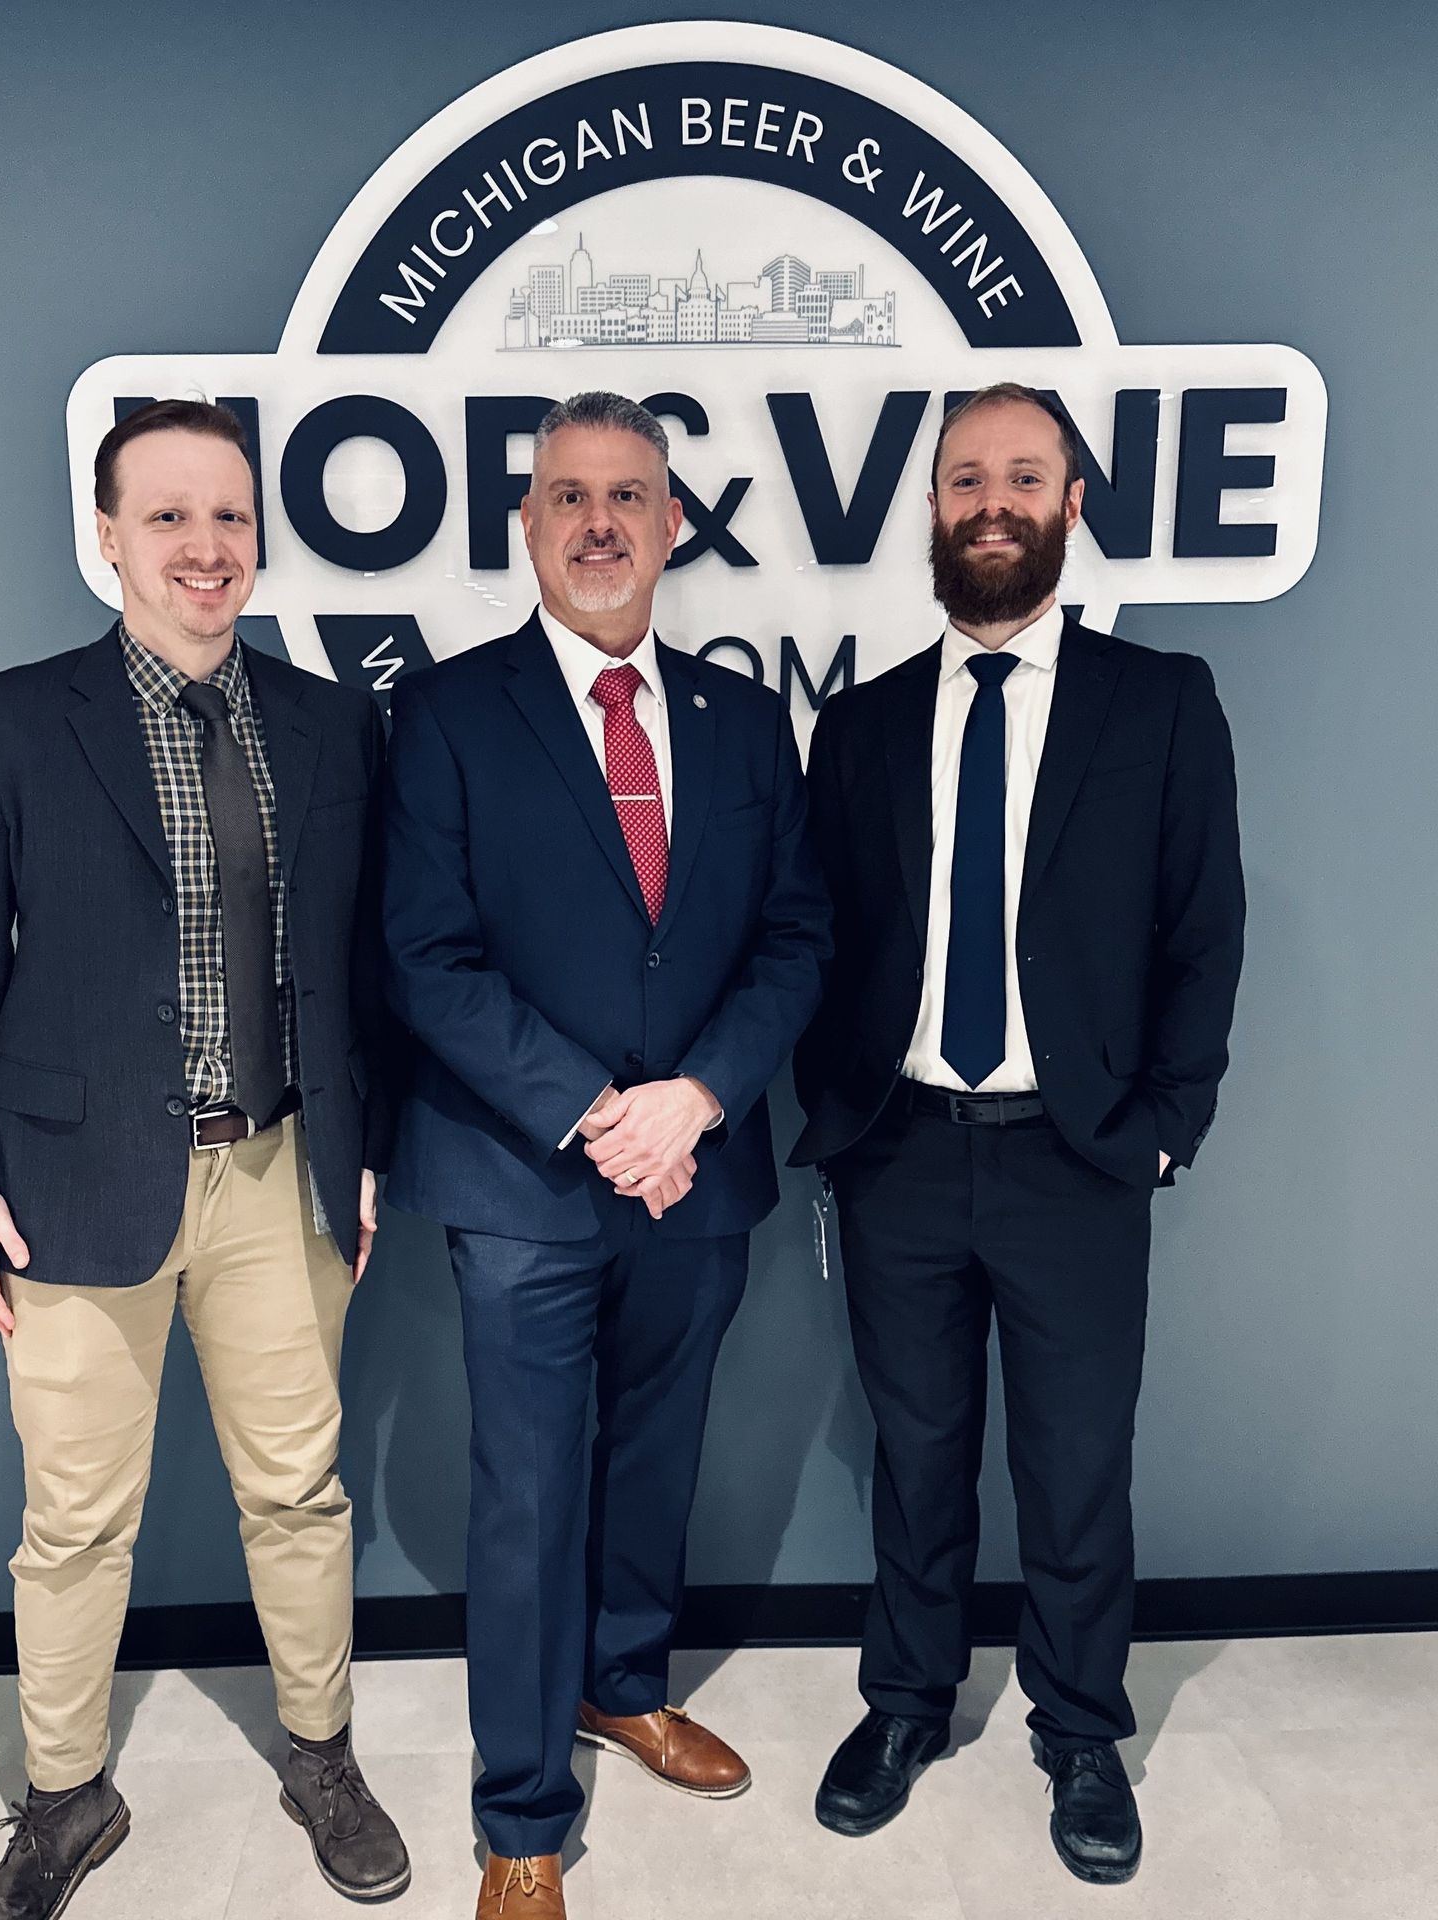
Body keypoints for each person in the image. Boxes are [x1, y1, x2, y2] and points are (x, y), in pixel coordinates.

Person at [0, 400, 409, 1916]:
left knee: (299, 1493)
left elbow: (362, 972)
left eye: (230, 516)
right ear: (107, 537)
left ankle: (321, 1754)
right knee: (73, 1522)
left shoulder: (331, 724)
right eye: (170, 516)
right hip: (71, 1188)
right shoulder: (6, 720)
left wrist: (362, 1148)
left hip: (281, 1175)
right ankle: (66, 1797)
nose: (206, 546)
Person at [382, 391, 832, 1917]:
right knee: (526, 1495)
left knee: (656, 1457)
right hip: (522, 1181)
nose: (598, 523)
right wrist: (595, 1111)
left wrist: (695, 1099)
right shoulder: (447, 715)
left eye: (627, 495)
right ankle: (521, 1817)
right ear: (527, 524)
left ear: (671, 523)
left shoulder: (742, 719)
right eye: (568, 495)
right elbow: (426, 958)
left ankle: (624, 1685)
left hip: (695, 1175)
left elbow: (795, 938)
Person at [792, 383, 1245, 1883]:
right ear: (932, 508)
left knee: (1075, 1462)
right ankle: (907, 1705)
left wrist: (1167, 1124)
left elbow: (1203, 929)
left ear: (1070, 504)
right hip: (903, 1152)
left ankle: (1080, 1730)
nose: (994, 502)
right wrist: (839, 1114)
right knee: (916, 1453)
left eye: (1025, 477)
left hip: (1079, 1155)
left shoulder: (1159, 702)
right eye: (966, 478)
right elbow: (816, 940)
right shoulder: (859, 725)